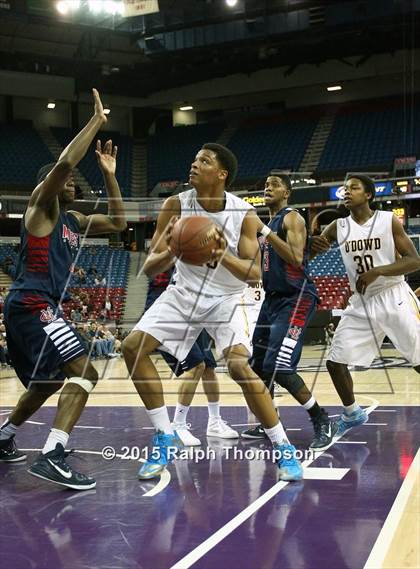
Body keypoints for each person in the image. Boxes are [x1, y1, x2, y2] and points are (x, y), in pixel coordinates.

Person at [123, 143, 302, 481]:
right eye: (193, 159)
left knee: (237, 365)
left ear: (221, 174)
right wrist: (175, 249)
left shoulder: (243, 214)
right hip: (185, 292)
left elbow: (254, 274)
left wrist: (219, 252)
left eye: (203, 161)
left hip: (231, 297)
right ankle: (165, 436)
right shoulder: (175, 204)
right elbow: (149, 266)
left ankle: (284, 448)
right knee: (132, 348)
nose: (194, 164)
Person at [0, 89, 127, 490]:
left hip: (33, 305)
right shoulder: (41, 206)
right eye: (66, 179)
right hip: (32, 303)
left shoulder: (73, 219)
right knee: (85, 372)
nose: (72, 180)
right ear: (51, 185)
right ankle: (53, 455)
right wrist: (94, 122)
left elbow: (121, 224)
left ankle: (3, 437)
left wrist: (109, 174)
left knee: (48, 383)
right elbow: (64, 161)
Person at [311, 174, 420, 436]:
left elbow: (414, 260)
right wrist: (309, 245)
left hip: (394, 295)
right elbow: (313, 252)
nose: (346, 192)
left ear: (368, 194)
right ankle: (351, 413)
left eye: (354, 188)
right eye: (344, 189)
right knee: (335, 361)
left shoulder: (387, 220)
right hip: (361, 302)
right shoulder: (337, 226)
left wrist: (378, 271)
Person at [241, 174, 336, 450]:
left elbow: (295, 258)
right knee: (257, 366)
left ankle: (321, 418)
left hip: (296, 299)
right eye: (266, 183)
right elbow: (294, 259)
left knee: (280, 367)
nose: (267, 187)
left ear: (287, 192)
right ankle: (271, 421)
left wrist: (265, 232)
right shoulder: (269, 224)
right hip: (272, 301)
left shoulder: (291, 217)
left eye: (274, 184)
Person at [143, 269, 238, 445]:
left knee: (209, 367)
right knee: (197, 366)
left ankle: (215, 421)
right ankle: (178, 425)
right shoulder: (172, 249)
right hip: (167, 312)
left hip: (192, 311)